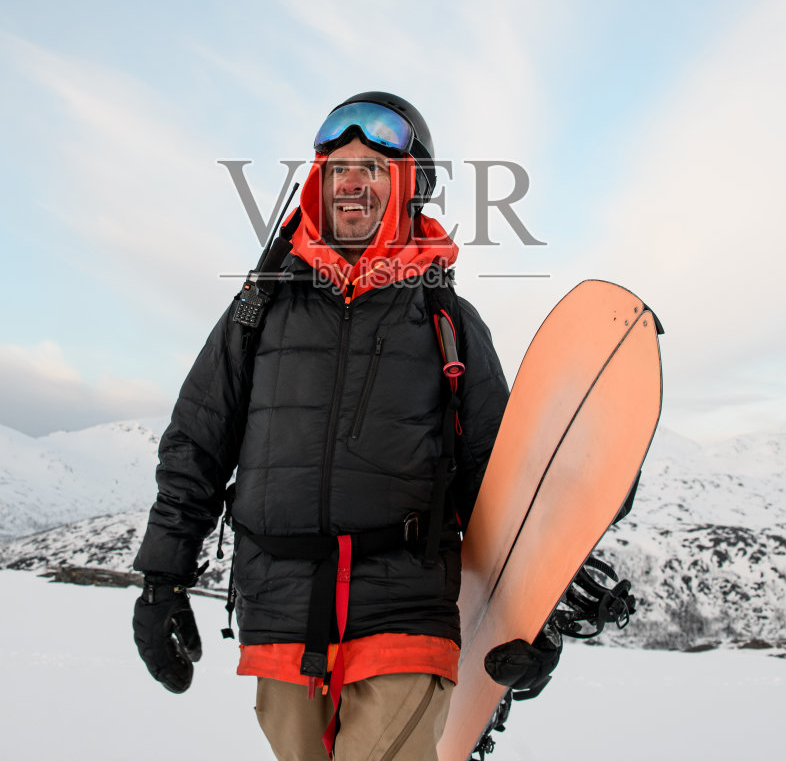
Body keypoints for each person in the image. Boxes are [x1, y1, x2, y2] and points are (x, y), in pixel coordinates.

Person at [132, 92, 510, 760]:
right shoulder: (260, 306)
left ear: (409, 187)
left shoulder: (448, 320)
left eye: (371, 165)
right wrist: (163, 577)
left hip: (405, 614)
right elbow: (198, 439)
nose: (352, 180)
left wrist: (527, 618)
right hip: (279, 617)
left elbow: (499, 482)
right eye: (337, 167)